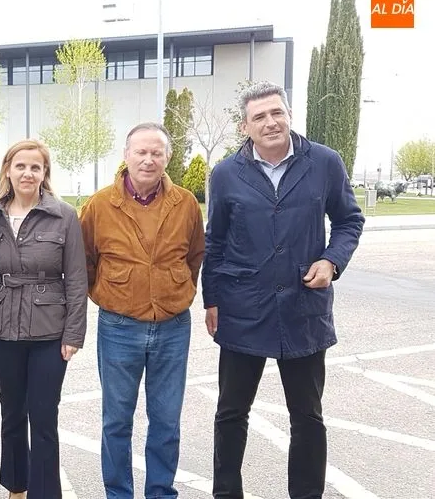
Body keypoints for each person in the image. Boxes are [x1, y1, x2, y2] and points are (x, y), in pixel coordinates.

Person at [203, 81, 364, 499]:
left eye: (277, 112)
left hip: (302, 306)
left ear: (289, 115)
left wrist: (331, 261)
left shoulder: (324, 162)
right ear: (245, 127)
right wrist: (212, 299)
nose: (270, 122)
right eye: (259, 116)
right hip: (243, 308)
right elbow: (215, 242)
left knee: (307, 416)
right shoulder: (226, 174)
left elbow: (349, 220)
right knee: (231, 412)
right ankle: (226, 493)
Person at [79, 122, 205, 499]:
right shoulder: (100, 205)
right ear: (126, 155)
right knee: (116, 421)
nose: (148, 160)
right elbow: (84, 260)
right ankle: (118, 494)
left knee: (166, 420)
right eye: (141, 152)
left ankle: (160, 492)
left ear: (167, 158)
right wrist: (109, 293)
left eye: (156, 153)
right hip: (119, 327)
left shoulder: (185, 203)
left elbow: (195, 256)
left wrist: (177, 289)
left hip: (173, 326)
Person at [0, 139, 88, 499]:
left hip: (49, 333)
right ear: (8, 170)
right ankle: (16, 487)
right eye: (20, 166)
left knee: (43, 417)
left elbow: (77, 278)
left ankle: (45, 493)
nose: (27, 173)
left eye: (35, 167)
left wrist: (73, 334)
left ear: (44, 173)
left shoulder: (64, 215)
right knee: (11, 412)